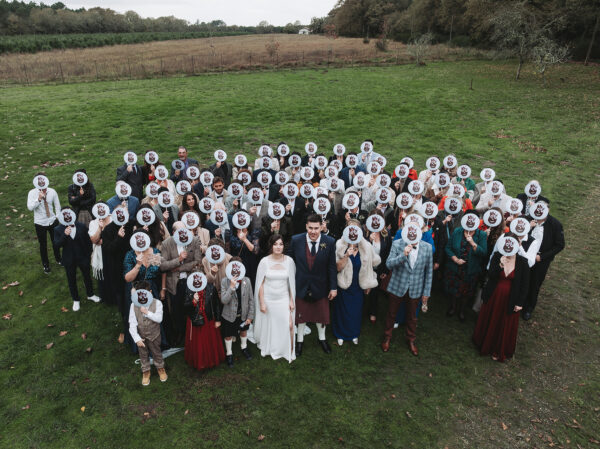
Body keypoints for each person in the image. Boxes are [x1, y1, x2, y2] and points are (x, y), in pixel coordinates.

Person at [287, 214, 338, 355]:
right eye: (310, 228)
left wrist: (333, 287)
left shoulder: (330, 241)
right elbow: (289, 263)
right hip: (301, 284)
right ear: (306, 227)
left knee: (321, 315)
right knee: (301, 316)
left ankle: (322, 339)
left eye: (316, 228)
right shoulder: (296, 240)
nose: (313, 231)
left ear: (321, 227)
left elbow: (332, 267)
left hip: (321, 285)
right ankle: (300, 341)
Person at [473, 240, 529, 361]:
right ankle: (485, 344)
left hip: (511, 299)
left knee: (504, 322)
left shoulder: (523, 262)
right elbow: (491, 275)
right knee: (491, 318)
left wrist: (520, 303)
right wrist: (500, 266)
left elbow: (525, 285)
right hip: (494, 296)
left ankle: (498, 350)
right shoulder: (498, 257)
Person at [381, 224, 433, 356]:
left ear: (420, 231)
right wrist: (403, 255)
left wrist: (426, 293)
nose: (412, 231)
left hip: (415, 288)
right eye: (410, 229)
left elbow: (429, 272)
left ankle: (411, 340)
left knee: (412, 317)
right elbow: (388, 264)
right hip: (397, 285)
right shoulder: (398, 243)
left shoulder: (427, 247)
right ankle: (387, 337)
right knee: (391, 313)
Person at [333, 221, 380, 345]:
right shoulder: (340, 245)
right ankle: (340, 334)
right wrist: (346, 256)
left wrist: (369, 283)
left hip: (358, 285)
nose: (353, 232)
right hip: (344, 284)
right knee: (342, 311)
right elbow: (337, 268)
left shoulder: (366, 246)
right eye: (350, 228)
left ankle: (354, 334)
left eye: (356, 229)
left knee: (356, 311)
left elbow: (371, 266)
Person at [254, 234, 297, 362]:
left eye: (281, 244)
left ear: (284, 246)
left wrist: (291, 300)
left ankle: (288, 349)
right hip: (268, 298)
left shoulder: (289, 261)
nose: (278, 247)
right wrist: (262, 303)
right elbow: (260, 284)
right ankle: (271, 347)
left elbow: (291, 283)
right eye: (275, 244)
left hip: (283, 298)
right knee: (270, 325)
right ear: (271, 246)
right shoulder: (264, 261)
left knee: (289, 324)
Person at [159, 222, 202, 346]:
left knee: (192, 308)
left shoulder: (193, 240)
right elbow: (163, 265)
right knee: (177, 311)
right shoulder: (167, 244)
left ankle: (192, 335)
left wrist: (180, 268)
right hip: (174, 283)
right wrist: (179, 259)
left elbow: (198, 262)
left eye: (185, 231)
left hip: (190, 281)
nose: (184, 234)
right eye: (180, 232)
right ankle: (180, 335)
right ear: (173, 233)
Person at [522, 204, 564, 320]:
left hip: (541, 260)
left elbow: (560, 245)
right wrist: (528, 227)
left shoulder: (555, 224)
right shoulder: (528, 220)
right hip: (525, 256)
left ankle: (529, 308)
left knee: (535, 283)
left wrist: (543, 257)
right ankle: (519, 302)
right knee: (522, 279)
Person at [54, 207, 100, 311]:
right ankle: (76, 300)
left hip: (83, 257)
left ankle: (90, 294)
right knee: (71, 280)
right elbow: (56, 245)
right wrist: (64, 235)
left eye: (69, 214)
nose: (67, 217)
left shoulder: (81, 226)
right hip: (69, 259)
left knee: (87, 276)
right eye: (64, 215)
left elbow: (88, 242)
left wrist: (89, 254)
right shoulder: (58, 229)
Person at [443, 216, 488, 321]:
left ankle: (462, 311)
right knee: (453, 290)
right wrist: (455, 259)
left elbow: (483, 253)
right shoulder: (458, 231)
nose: (470, 224)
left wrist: (472, 243)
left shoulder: (481, 235)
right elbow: (448, 248)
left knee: (466, 292)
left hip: (470, 269)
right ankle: (453, 308)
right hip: (455, 267)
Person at [128, 281, 167, 386]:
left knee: (157, 352)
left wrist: (147, 312)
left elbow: (159, 319)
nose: (141, 297)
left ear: (150, 292)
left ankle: (160, 367)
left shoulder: (157, 303)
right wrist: (137, 339)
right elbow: (132, 324)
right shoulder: (133, 306)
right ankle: (146, 371)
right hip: (142, 337)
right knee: (143, 355)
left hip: (155, 335)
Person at [183, 277, 225, 370]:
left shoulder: (211, 288)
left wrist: (218, 319)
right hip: (195, 320)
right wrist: (193, 301)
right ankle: (200, 361)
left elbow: (216, 304)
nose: (198, 282)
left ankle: (211, 360)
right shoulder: (189, 289)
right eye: (195, 280)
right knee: (198, 342)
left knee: (209, 341)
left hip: (208, 319)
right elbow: (185, 307)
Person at [220, 257, 255, 367]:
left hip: (243, 314)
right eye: (233, 268)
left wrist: (250, 316)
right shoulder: (225, 281)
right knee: (228, 335)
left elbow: (251, 300)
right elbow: (224, 300)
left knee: (243, 331)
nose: (236, 271)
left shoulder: (247, 281)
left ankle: (244, 347)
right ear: (229, 269)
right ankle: (229, 353)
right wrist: (231, 287)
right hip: (229, 315)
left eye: (238, 268)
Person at [27, 173, 61, 273]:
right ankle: (45, 265)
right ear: (36, 182)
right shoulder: (32, 193)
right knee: (43, 244)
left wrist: (57, 218)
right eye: (39, 180)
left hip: (52, 221)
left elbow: (57, 206)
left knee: (56, 241)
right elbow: (30, 207)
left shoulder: (52, 191)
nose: (41, 182)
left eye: (43, 180)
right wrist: (39, 199)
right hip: (40, 222)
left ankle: (58, 259)